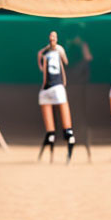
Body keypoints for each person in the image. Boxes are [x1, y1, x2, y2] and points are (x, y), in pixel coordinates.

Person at [37, 31, 74, 163]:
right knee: (51, 131)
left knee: (66, 128)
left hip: (57, 87)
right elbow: (41, 61)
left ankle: (68, 153)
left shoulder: (58, 51)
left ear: (57, 39)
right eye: (50, 37)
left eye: (54, 37)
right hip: (48, 89)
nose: (52, 39)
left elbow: (65, 63)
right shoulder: (47, 53)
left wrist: (63, 81)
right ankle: (48, 156)